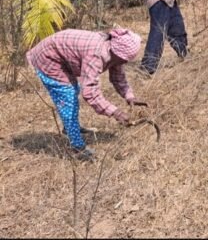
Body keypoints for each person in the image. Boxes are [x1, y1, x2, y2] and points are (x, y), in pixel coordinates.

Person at [27, 28, 145, 161]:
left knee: (72, 90)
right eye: (123, 59)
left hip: (61, 57)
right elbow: (90, 93)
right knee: (68, 97)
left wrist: (129, 96)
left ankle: (71, 128)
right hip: (47, 58)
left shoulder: (115, 52)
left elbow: (118, 77)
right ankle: (77, 148)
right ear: (115, 51)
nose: (124, 62)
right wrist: (115, 112)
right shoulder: (96, 54)